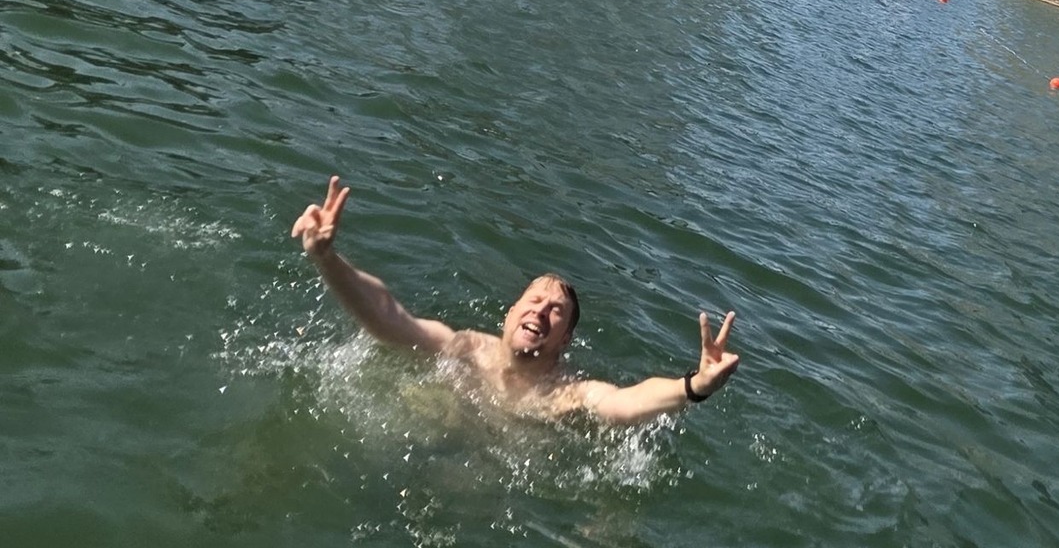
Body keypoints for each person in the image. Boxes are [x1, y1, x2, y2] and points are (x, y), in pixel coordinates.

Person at [289, 177, 739, 423]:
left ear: (564, 340)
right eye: (533, 301)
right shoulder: (464, 347)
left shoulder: (568, 393)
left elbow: (624, 402)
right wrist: (327, 259)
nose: (540, 311)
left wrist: (693, 386)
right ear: (509, 313)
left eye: (555, 311)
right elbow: (389, 317)